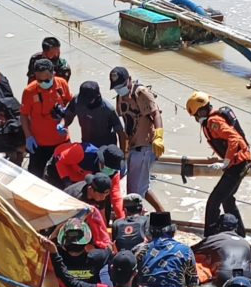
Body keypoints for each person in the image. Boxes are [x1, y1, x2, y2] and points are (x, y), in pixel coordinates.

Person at [186, 91, 250, 237]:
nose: (196, 119)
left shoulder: (213, 122)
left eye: (196, 116)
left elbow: (234, 138)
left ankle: (209, 236)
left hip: (237, 163)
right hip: (240, 162)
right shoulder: (213, 121)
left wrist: (226, 161)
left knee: (213, 202)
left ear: (201, 111)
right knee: (227, 199)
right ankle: (240, 234)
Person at [111, 66, 165, 212]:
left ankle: (138, 220)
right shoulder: (120, 98)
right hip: (132, 147)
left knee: (133, 194)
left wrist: (159, 136)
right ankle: (161, 213)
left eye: (121, 86)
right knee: (140, 187)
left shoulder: (141, 93)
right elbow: (123, 123)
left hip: (145, 147)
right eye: (116, 87)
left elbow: (156, 115)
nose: (119, 89)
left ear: (129, 80)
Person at [20, 58, 73, 178]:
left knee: (64, 177)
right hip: (39, 144)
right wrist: (28, 136)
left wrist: (64, 119)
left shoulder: (62, 84)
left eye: (47, 80)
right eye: (40, 80)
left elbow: (71, 105)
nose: (44, 83)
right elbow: (23, 115)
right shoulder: (29, 91)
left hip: (61, 141)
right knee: (35, 177)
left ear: (53, 73)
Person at [46, 143, 125, 220]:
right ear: (101, 161)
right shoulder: (81, 153)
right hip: (58, 169)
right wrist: (66, 181)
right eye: (109, 168)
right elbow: (59, 158)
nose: (110, 171)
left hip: (80, 181)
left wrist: (122, 219)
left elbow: (116, 197)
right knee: (55, 201)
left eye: (113, 169)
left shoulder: (113, 173)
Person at [191, 214, 251, 287]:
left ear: (219, 226)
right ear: (236, 227)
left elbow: (189, 251)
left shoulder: (213, 239)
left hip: (225, 276)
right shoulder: (246, 243)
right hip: (248, 276)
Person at [63, 81, 127, 147]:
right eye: (82, 100)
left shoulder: (108, 110)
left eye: (87, 100)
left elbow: (121, 133)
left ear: (96, 97)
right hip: (86, 144)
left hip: (105, 147)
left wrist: (123, 154)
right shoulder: (77, 100)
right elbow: (68, 116)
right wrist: (63, 125)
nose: (84, 103)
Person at [63, 173, 113, 249]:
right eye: (101, 195)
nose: (103, 198)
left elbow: (101, 217)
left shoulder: (101, 194)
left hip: (84, 218)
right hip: (65, 215)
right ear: (91, 189)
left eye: (106, 195)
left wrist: (104, 238)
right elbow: (69, 223)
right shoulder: (78, 198)